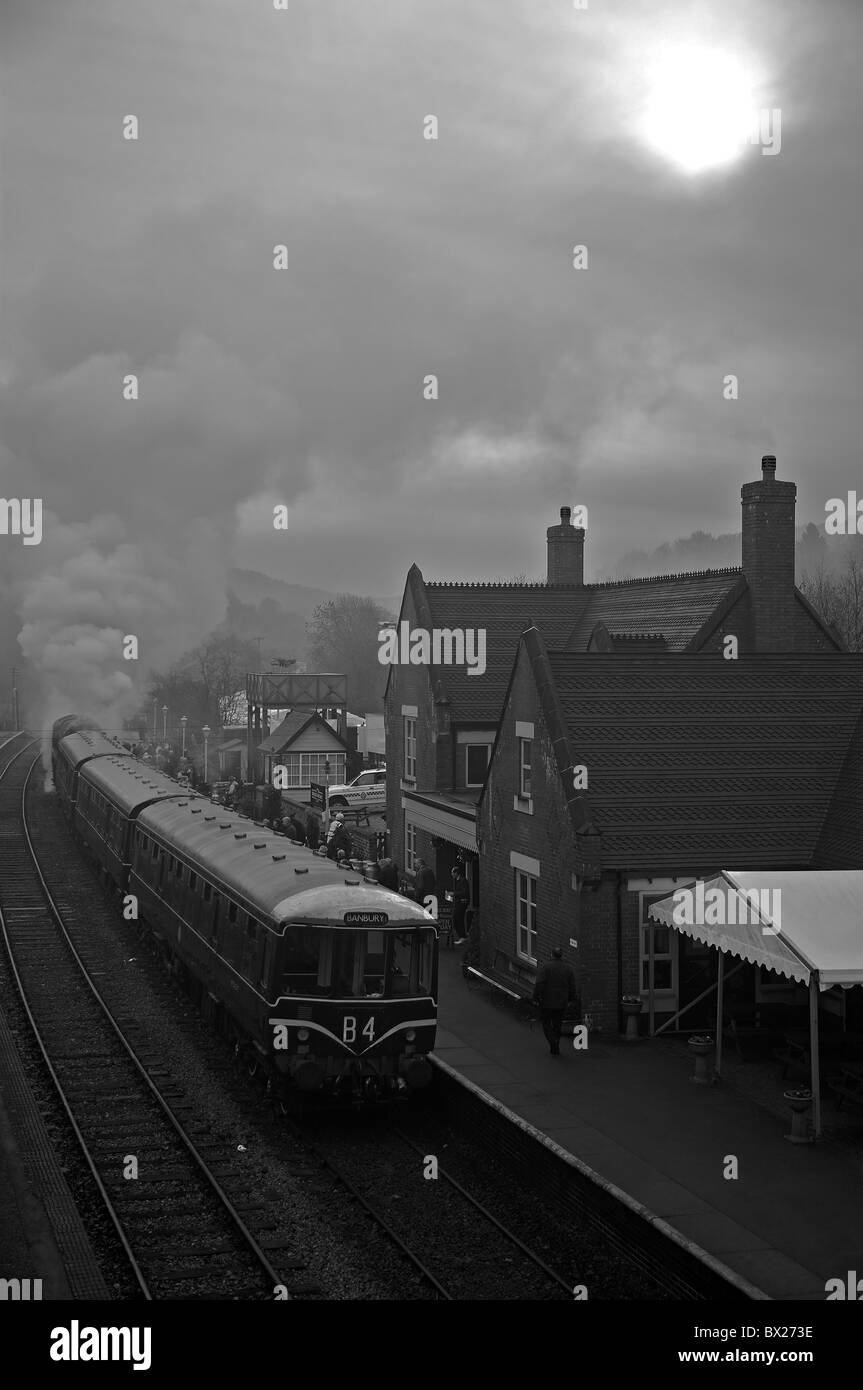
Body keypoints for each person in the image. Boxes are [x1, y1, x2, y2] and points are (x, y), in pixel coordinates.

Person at [532, 947, 577, 1057]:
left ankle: (553, 1041)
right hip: (562, 1002)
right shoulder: (568, 968)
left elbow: (540, 984)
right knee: (557, 1024)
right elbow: (572, 986)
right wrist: (570, 999)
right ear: (561, 955)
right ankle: (555, 1043)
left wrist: (536, 997)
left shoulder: (545, 967)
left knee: (546, 1023)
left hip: (547, 1001)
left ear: (551, 954)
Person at [450, 865, 470, 944]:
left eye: (452, 873)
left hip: (462, 903)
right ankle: (462, 936)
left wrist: (453, 893)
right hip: (459, 903)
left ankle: (463, 936)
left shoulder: (463, 881)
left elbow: (464, 892)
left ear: (457, 873)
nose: (452, 874)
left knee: (457, 919)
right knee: (458, 919)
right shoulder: (459, 880)